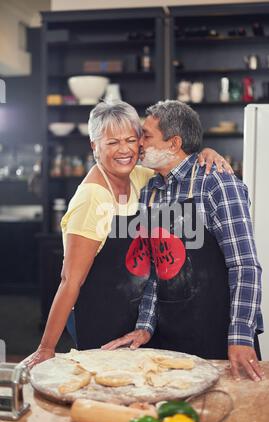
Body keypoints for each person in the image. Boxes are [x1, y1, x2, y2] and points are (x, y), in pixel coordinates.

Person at [24, 100, 231, 369]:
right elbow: (69, 280)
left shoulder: (140, 177)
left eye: (132, 139)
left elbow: (177, 161)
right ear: (94, 146)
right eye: (111, 143)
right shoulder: (93, 198)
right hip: (102, 315)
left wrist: (206, 152)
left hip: (138, 318)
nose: (124, 150)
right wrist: (46, 348)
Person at [102, 100, 264, 382]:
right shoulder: (151, 190)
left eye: (146, 135)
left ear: (173, 143)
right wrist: (145, 326)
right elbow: (156, 268)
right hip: (169, 335)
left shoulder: (217, 183)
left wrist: (240, 335)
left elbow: (245, 266)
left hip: (218, 333)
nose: (138, 143)